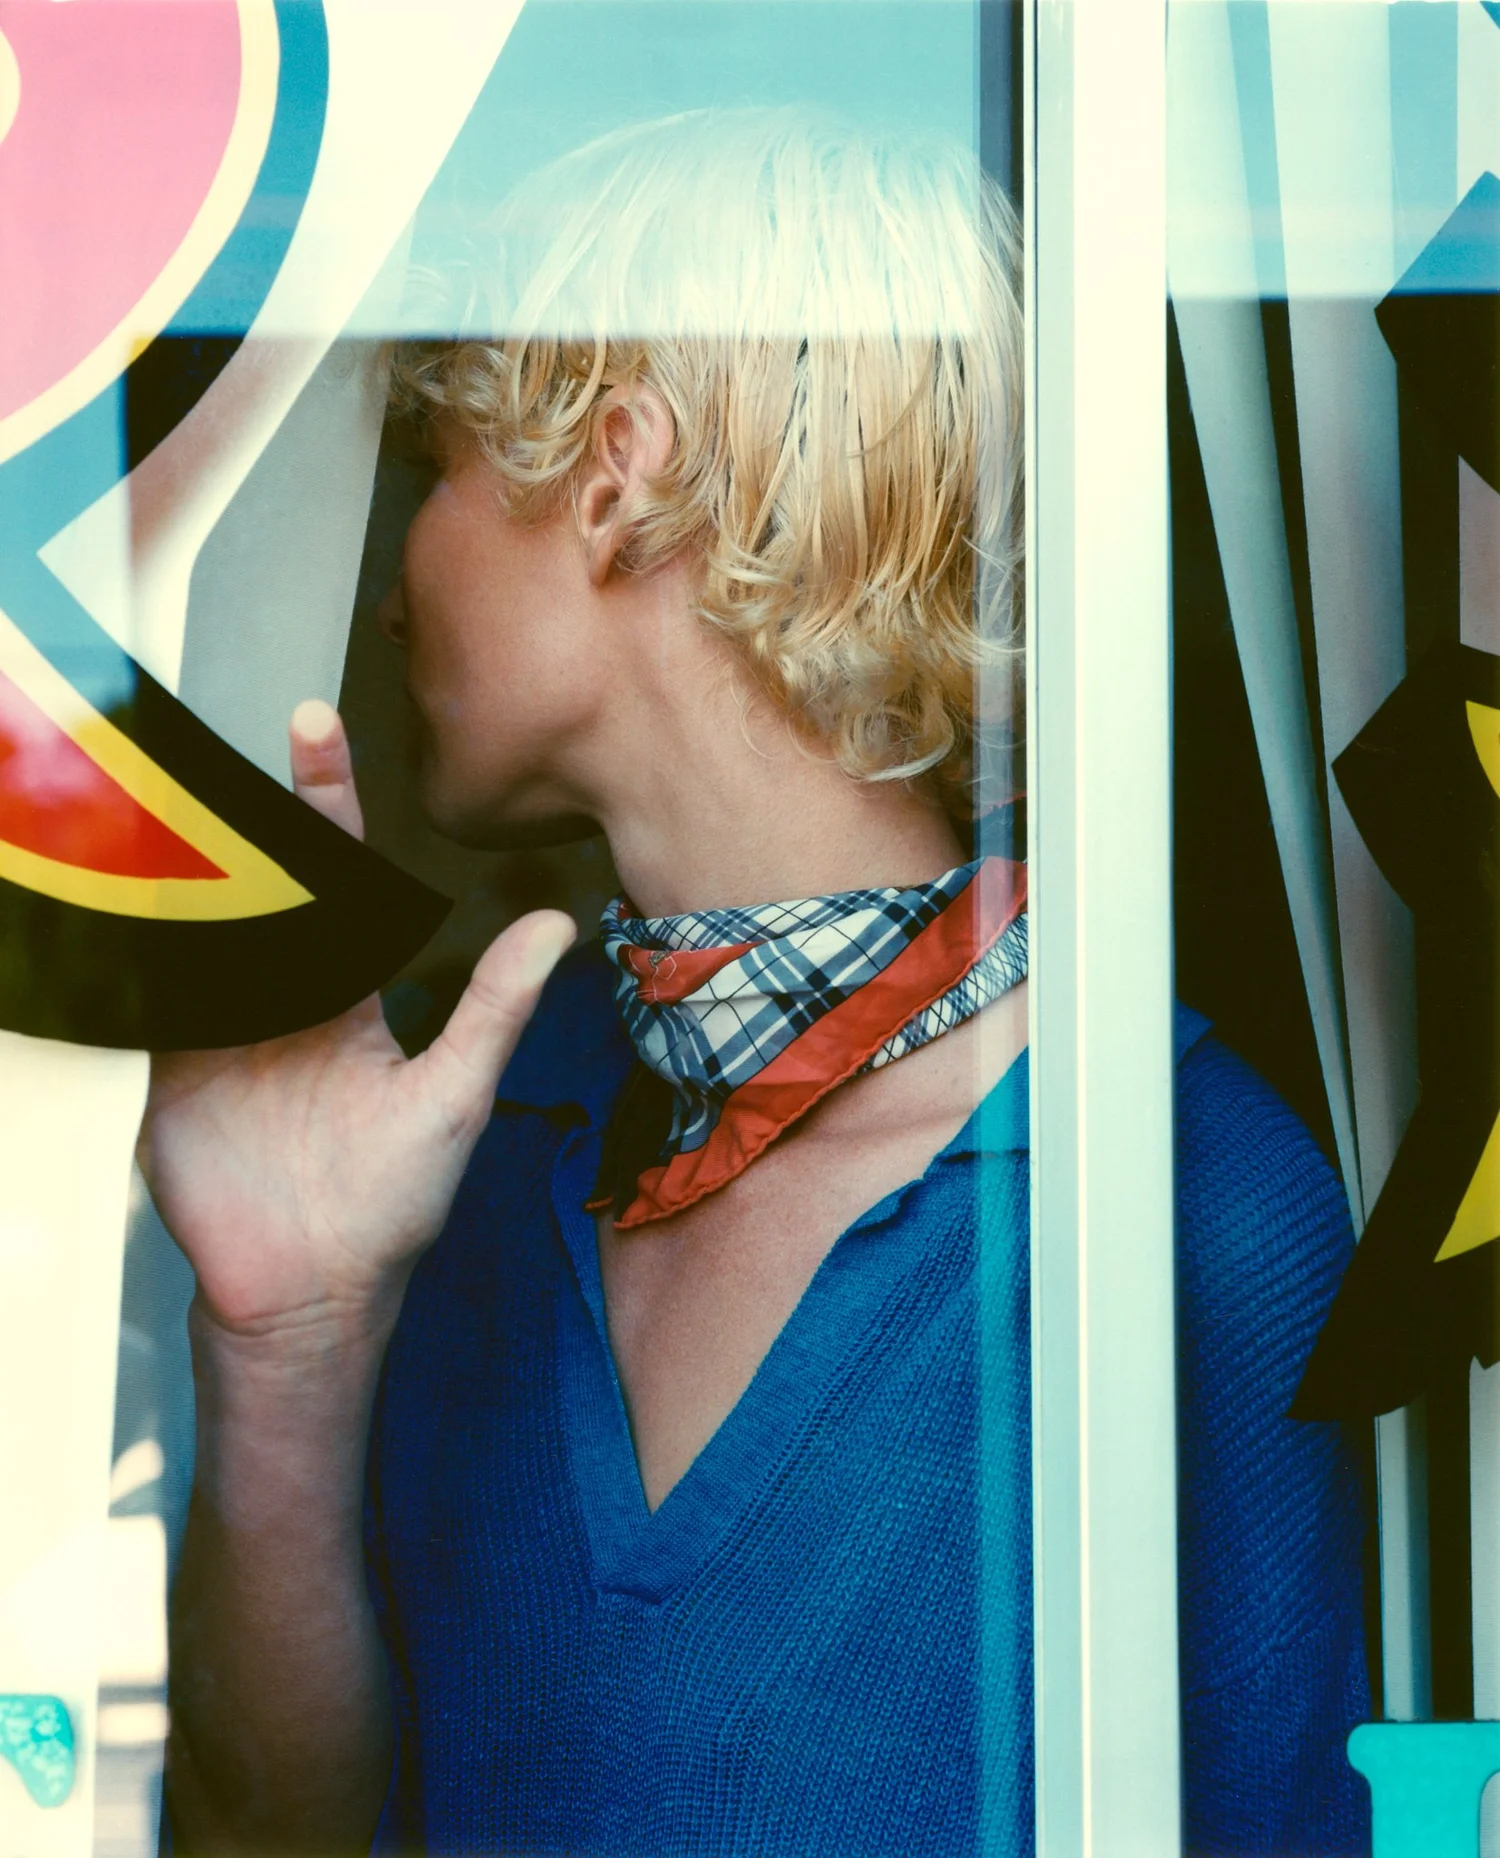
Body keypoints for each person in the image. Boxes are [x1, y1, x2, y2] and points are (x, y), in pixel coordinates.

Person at [141, 111, 1371, 1856]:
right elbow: (274, 1838)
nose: (392, 590)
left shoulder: (1189, 1210)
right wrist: (288, 1339)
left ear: (616, 473)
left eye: (431, 463)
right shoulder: (482, 1138)